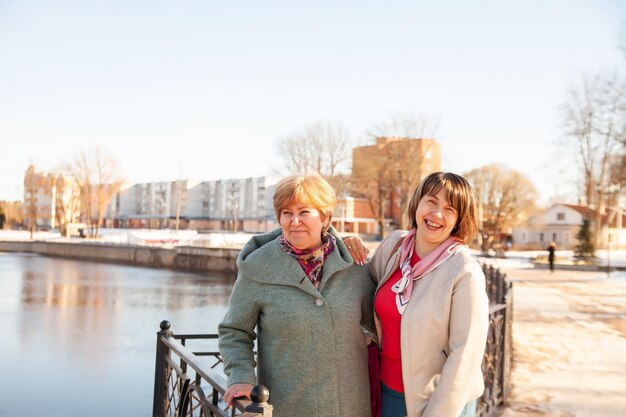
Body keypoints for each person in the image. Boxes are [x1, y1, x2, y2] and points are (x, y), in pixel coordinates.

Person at [218, 173, 376, 417]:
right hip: (286, 407)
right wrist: (240, 377)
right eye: (287, 213)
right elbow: (235, 331)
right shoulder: (258, 267)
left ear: (325, 217)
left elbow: (378, 325)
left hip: (350, 407)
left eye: (304, 212)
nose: (294, 221)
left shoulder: (355, 265)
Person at [345, 172, 489, 417]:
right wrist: (345, 244)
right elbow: (361, 290)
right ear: (418, 203)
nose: (436, 214)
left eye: (450, 209)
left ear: (459, 219)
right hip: (385, 392)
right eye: (431, 202)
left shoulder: (464, 271)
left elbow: (465, 355)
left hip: (437, 402)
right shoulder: (395, 247)